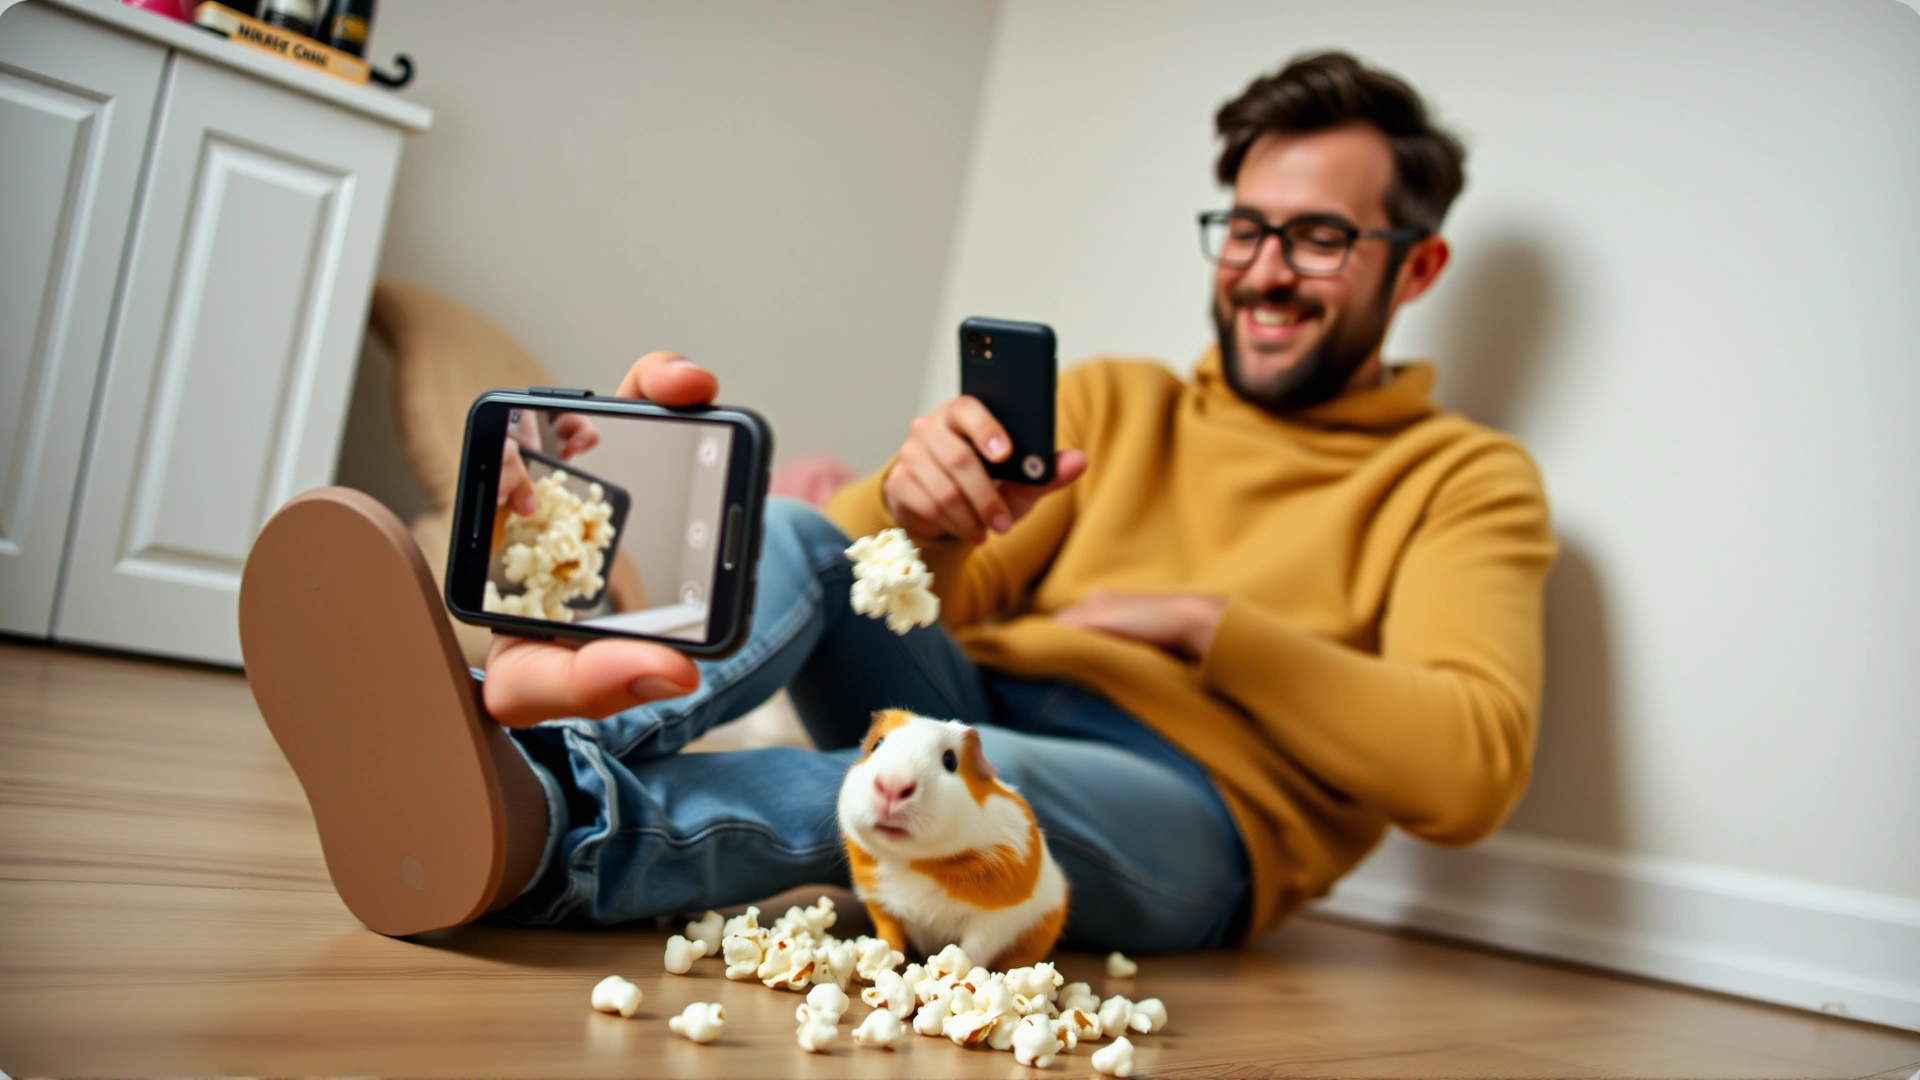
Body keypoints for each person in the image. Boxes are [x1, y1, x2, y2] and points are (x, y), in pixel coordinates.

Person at [240, 51, 1553, 949]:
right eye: (1247, 228)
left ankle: (542, 833)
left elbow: (1468, 768)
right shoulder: (1113, 402)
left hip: (1200, 812)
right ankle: (514, 745)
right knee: (815, 533)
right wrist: (919, 510)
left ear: (1416, 265)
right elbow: (899, 582)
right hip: (976, 696)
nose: (1266, 271)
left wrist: (1209, 624)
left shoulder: (1462, 482)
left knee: (906, 781)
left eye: (1318, 237)